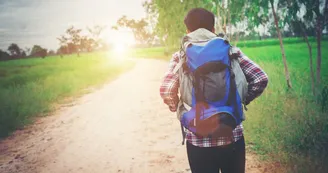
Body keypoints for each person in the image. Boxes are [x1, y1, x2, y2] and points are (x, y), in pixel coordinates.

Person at [160, 8, 269, 173]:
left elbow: (166, 90)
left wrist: (178, 107)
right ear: (212, 29)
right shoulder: (230, 51)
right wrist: (240, 100)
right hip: (232, 135)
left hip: (198, 138)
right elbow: (261, 78)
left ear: (188, 30)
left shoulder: (181, 56)